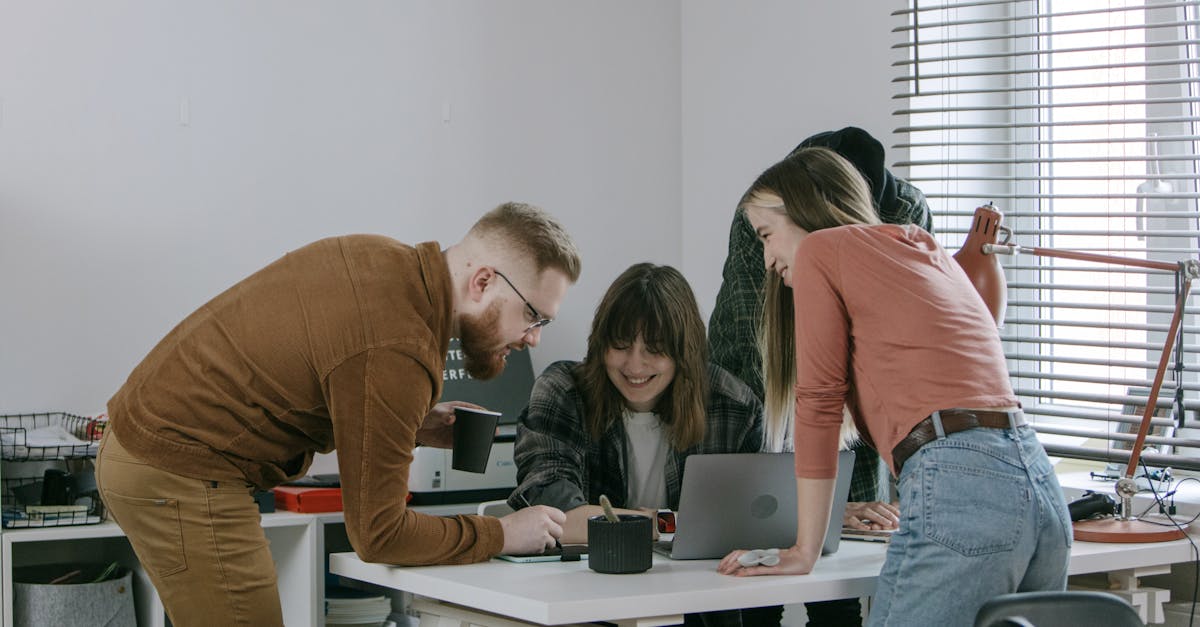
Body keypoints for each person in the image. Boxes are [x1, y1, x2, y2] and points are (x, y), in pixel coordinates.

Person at [95, 202, 581, 627]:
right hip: (177, 470)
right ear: (482, 282)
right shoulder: (400, 348)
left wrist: (411, 423)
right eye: (533, 316)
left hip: (147, 450)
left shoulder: (384, 261)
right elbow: (380, 535)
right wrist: (503, 533)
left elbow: (331, 364)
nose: (533, 337)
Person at [715, 147, 1072, 626]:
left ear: (801, 210)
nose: (766, 258)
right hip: (1038, 483)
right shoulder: (921, 245)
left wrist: (805, 549)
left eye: (766, 235)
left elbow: (819, 403)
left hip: (961, 486)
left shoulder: (823, 248)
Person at [708, 127, 922, 626]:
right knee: (761, 572)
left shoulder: (907, 212)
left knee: (839, 572)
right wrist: (799, 510)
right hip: (757, 388)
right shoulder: (766, 216)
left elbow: (886, 373)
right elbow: (761, 369)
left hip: (850, 412)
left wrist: (844, 509)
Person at [511, 263, 768, 627]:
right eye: (620, 346)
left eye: (655, 349)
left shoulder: (733, 406)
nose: (634, 365)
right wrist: (667, 523)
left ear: (685, 351)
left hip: (700, 606)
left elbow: (753, 523)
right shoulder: (563, 393)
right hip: (584, 602)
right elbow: (555, 519)